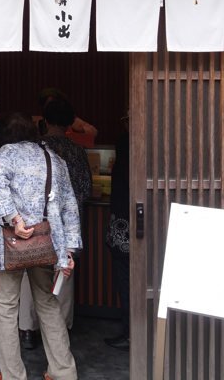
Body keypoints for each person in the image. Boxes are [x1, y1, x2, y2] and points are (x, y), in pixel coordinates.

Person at [0, 112, 81, 380]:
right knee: (48, 303)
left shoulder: (7, 154)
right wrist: (69, 250)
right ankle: (63, 372)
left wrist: (14, 219)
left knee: (6, 308)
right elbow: (70, 206)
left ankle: (13, 375)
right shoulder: (55, 160)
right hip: (45, 244)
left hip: (11, 243)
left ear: (3, 136)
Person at [18, 96, 92, 349]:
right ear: (70, 122)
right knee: (64, 273)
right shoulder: (77, 151)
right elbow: (85, 189)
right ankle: (60, 332)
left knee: (31, 271)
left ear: (45, 121)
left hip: (37, 222)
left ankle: (28, 329)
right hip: (66, 222)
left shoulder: (35, 150)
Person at [104, 115, 130, 351]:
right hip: (147, 224)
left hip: (123, 225)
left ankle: (130, 331)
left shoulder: (125, 143)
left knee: (126, 279)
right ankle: (140, 330)